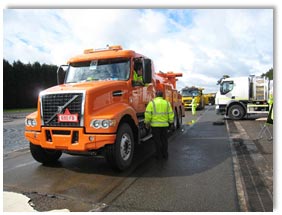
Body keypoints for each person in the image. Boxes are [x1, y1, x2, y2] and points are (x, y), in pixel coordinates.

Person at [144, 91, 174, 160]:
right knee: (164, 140)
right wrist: (171, 122)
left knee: (157, 141)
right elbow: (170, 113)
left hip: (155, 126)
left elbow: (148, 114)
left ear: (156, 95)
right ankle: (165, 154)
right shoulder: (167, 103)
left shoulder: (152, 103)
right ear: (162, 95)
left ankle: (159, 155)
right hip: (164, 125)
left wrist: (147, 123)